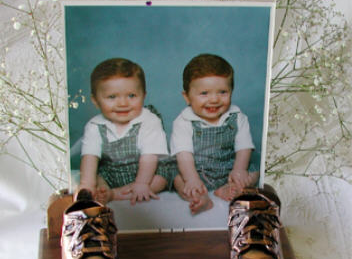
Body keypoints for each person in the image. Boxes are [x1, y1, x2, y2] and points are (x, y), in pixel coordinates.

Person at [170, 54, 259, 214]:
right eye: (204, 93)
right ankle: (200, 197)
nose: (214, 99)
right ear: (187, 97)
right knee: (177, 179)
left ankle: (229, 189)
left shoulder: (237, 117)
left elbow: (244, 147)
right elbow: (184, 155)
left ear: (231, 91)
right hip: (197, 172)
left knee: (254, 172)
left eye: (222, 92)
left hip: (229, 170)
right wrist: (192, 179)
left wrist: (239, 170)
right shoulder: (183, 121)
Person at [78, 58, 169, 205]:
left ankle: (114, 194)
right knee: (96, 176)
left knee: (160, 180)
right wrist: (86, 185)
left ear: (143, 96)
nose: (123, 103)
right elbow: (90, 157)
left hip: (147, 170)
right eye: (112, 97)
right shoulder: (95, 125)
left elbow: (149, 157)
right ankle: (103, 189)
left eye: (131, 96)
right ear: (95, 101)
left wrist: (141, 183)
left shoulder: (149, 120)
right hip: (112, 172)